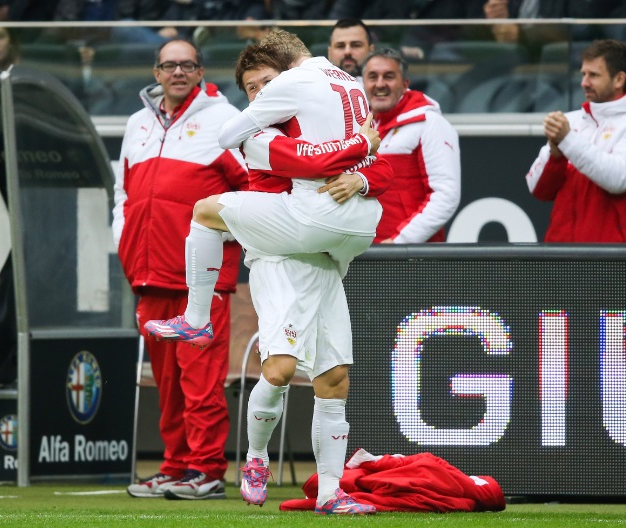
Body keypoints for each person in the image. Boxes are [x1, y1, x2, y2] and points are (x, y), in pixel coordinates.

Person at [146, 30, 392, 514]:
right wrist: (355, 145)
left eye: (266, 83)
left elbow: (382, 169)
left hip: (319, 255)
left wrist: (361, 176)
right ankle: (256, 457)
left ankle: (331, 493)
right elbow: (304, 162)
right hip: (279, 253)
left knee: (335, 378)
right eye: (251, 88)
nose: (260, 94)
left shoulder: (309, 118)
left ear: (284, 81)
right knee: (279, 368)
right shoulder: (258, 134)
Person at [112, 38, 249, 500]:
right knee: (167, 384)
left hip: (200, 279)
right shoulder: (136, 124)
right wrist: (124, 242)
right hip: (149, 274)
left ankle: (206, 470)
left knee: (201, 379)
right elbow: (122, 194)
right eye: (169, 65)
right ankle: (174, 467)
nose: (177, 72)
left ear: (200, 71)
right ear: (156, 73)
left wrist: (218, 238)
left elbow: (252, 190)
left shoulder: (224, 119)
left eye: (187, 65)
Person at [525, 39, 626, 243]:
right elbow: (538, 190)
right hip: (560, 256)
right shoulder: (572, 121)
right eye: (583, 74)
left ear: (619, 79)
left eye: (594, 75)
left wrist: (567, 140)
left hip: (614, 258)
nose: (584, 82)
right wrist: (555, 154)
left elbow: (618, 179)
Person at [363, 48, 461, 243]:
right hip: (364, 252)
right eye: (373, 77)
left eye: (389, 76)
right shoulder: (360, 127)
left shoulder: (430, 123)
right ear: (363, 83)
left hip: (411, 256)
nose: (380, 84)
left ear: (405, 84)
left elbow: (445, 195)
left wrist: (400, 242)